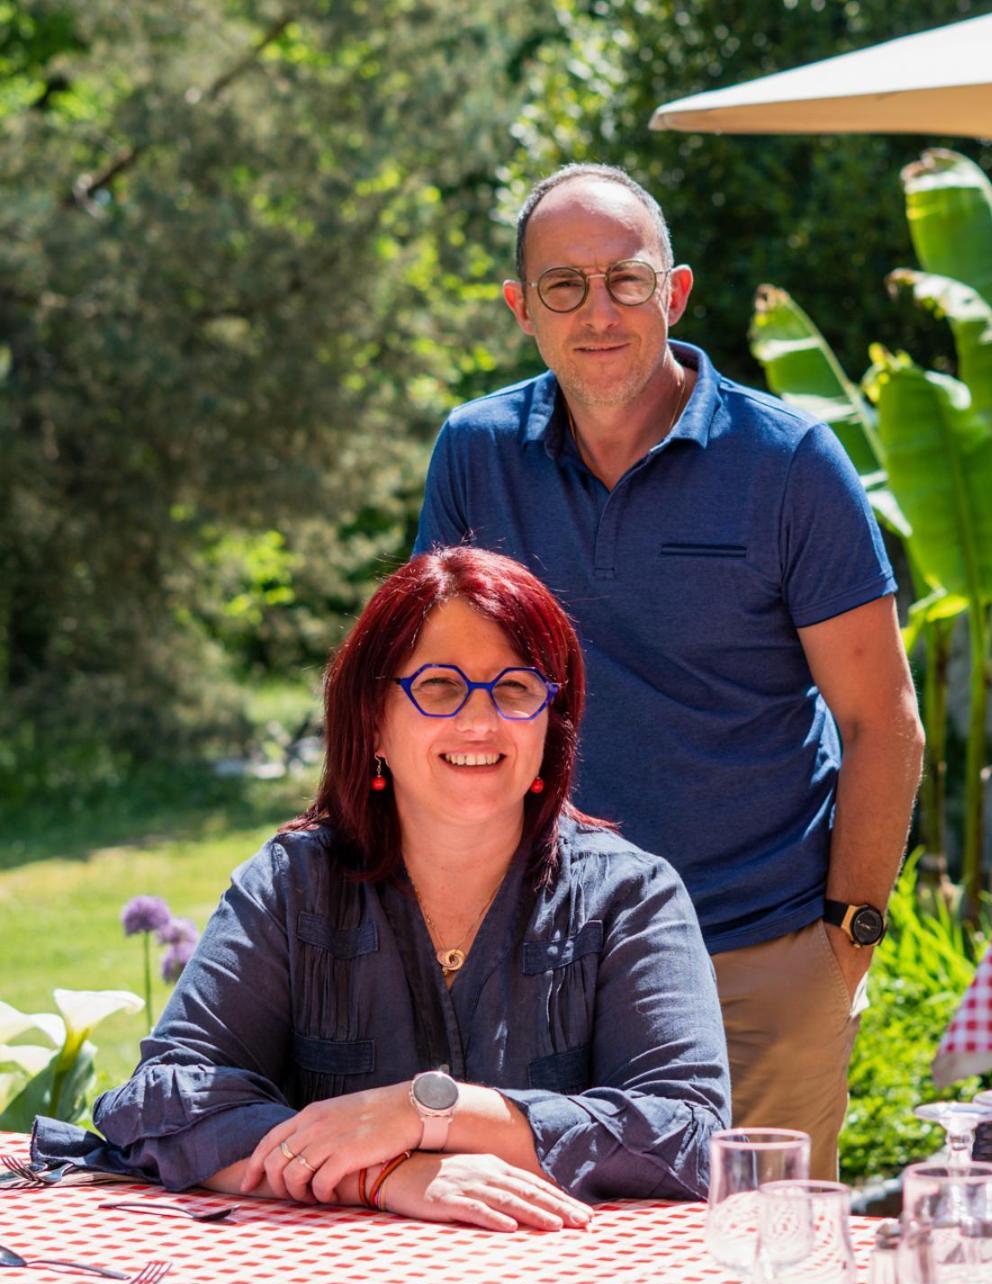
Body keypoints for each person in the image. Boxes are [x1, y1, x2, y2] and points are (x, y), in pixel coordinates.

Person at [415, 163, 925, 1179]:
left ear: (675, 291)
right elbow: (433, 699)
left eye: (626, 280)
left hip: (757, 958)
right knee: (534, 1272)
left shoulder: (789, 464)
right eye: (564, 286)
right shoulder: (476, 455)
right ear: (522, 309)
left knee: (756, 1277)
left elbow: (883, 724)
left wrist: (845, 947)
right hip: (534, 958)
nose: (597, 311)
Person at [32, 547, 730, 1229]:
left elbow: (692, 1138)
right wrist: (387, 1175)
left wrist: (429, 1111)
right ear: (373, 723)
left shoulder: (631, 897)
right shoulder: (289, 886)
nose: (480, 721)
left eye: (515, 688)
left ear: (552, 723)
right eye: (439, 687)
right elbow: (163, 1102)